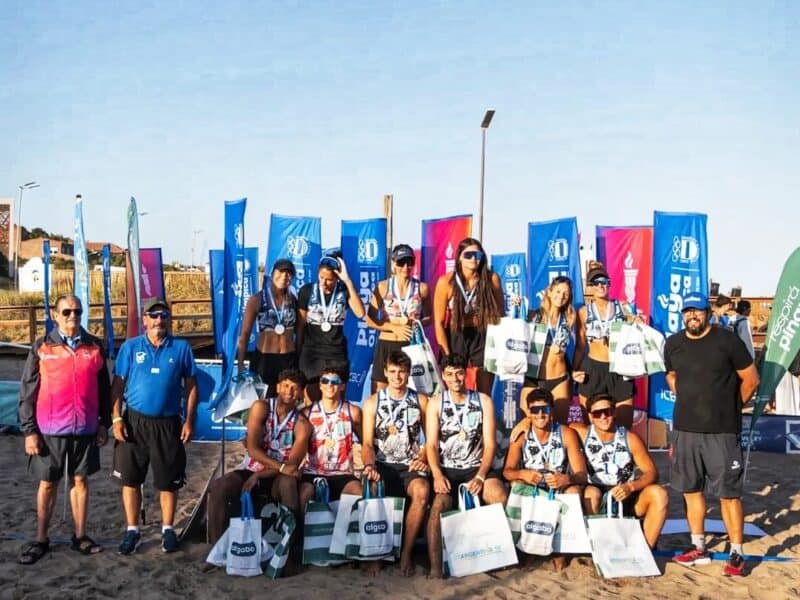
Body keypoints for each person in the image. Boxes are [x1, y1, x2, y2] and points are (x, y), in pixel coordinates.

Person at [665, 293, 759, 577]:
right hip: (685, 430)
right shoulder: (674, 343)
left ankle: (737, 552)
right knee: (692, 491)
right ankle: (699, 547)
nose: (692, 316)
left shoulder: (727, 340)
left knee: (729, 494)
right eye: (687, 312)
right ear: (682, 315)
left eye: (697, 311)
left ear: (708, 313)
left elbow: (751, 379)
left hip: (722, 432)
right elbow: (671, 375)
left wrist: (729, 407)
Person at [17, 295, 112, 564]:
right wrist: (29, 431)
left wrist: (103, 423)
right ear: (55, 315)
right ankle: (40, 539)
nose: (73, 316)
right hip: (49, 430)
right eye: (67, 311)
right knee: (48, 483)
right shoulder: (41, 347)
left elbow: (103, 390)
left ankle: (80, 536)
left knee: (81, 481)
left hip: (84, 428)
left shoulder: (95, 347)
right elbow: (27, 392)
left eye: (77, 312)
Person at [111, 298, 198, 555]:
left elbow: (191, 386)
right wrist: (116, 419)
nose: (160, 320)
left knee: (168, 482)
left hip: (168, 423)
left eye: (164, 315)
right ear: (145, 319)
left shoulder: (181, 348)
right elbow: (117, 386)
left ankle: (168, 529)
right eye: (154, 315)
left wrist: (190, 420)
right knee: (131, 479)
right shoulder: (130, 347)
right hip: (134, 422)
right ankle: (132, 530)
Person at [206, 369, 310, 551]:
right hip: (256, 468)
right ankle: (216, 550)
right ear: (277, 387)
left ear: (301, 392)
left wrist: (262, 475)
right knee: (219, 486)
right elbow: (253, 449)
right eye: (285, 385)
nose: (289, 391)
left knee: (289, 485)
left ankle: (288, 553)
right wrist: (263, 472)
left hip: (276, 476)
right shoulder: (261, 407)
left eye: (295, 388)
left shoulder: (302, 424)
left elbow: (292, 467)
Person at [425, 353, 508, 578]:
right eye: (450, 374)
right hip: (448, 469)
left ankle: (496, 557)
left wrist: (481, 476)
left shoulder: (483, 401)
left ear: (466, 374)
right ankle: (434, 570)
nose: (455, 379)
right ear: (443, 376)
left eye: (459, 373)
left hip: (475, 467)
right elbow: (431, 445)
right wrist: (436, 474)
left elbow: (490, 444)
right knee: (438, 509)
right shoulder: (436, 402)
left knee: (498, 496)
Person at [362, 351, 430, 576]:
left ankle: (406, 553)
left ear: (409, 374)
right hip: (383, 464)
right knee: (373, 488)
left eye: (402, 372)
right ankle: (378, 554)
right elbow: (367, 444)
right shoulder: (372, 402)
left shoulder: (420, 400)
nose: (397, 377)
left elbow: (431, 440)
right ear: (385, 372)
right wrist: (370, 466)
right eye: (392, 372)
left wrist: (422, 458)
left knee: (421, 492)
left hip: (410, 465)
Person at [503, 387, 587, 571]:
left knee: (574, 491)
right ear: (529, 413)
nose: (540, 414)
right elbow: (507, 472)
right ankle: (521, 547)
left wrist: (566, 478)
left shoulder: (566, 433)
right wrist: (522, 474)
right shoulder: (522, 435)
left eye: (545, 409)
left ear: (552, 411)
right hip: (531, 486)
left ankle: (561, 550)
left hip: (556, 487)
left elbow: (582, 475)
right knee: (516, 483)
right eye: (535, 410)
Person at [572, 393, 668, 550]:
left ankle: (646, 552)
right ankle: (598, 547)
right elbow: (546, 423)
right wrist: (526, 422)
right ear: (590, 416)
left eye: (607, 412)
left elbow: (651, 472)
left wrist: (631, 487)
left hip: (624, 492)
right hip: (596, 491)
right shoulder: (581, 433)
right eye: (597, 413)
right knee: (591, 493)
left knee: (659, 493)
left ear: (614, 412)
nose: (603, 417)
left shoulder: (630, 438)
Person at [433, 238, 504, 395]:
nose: (473, 259)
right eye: (469, 255)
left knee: (485, 390)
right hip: (457, 333)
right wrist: (446, 355)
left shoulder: (491, 279)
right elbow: (438, 322)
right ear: (459, 257)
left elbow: (500, 315)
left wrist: (498, 344)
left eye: (477, 255)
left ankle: (483, 417)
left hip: (482, 334)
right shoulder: (447, 282)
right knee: (455, 386)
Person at [573, 261, 638, 428]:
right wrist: (574, 370)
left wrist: (637, 321)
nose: (601, 286)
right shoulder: (583, 312)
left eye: (604, 282)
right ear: (590, 287)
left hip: (620, 369)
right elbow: (580, 346)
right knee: (592, 427)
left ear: (609, 284)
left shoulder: (623, 307)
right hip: (593, 369)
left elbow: (639, 331)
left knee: (623, 426)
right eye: (596, 283)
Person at [297, 254, 365, 404]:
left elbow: (360, 312)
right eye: (321, 277)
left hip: (336, 351)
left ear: (337, 278)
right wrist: (298, 352)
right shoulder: (307, 291)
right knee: (312, 400)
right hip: (312, 351)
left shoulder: (344, 291)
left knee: (336, 399)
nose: (324, 283)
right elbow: (300, 325)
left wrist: (347, 281)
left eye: (329, 279)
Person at [366, 244, 431, 392]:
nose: (406, 267)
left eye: (410, 262)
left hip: (410, 345)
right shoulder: (383, 287)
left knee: (413, 392)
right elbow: (370, 320)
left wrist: (417, 323)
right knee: (379, 393)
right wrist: (394, 327)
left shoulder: (422, 288)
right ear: (393, 263)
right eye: (401, 262)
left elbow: (430, 317)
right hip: (386, 343)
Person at [298, 363, 363, 506]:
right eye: (325, 381)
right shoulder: (307, 413)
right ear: (320, 385)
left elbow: (366, 441)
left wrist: (369, 465)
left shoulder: (353, 412)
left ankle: (345, 529)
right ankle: (299, 528)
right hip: (313, 472)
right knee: (303, 495)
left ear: (342, 386)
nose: (329, 385)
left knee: (357, 494)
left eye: (335, 382)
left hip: (343, 473)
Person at [519, 276, 578, 423]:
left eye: (566, 293)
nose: (561, 296)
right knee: (527, 424)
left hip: (559, 379)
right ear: (549, 292)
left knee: (560, 426)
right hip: (534, 378)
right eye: (558, 291)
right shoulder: (534, 315)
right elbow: (516, 327)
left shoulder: (570, 318)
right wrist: (517, 307)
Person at [237, 258, 299, 394]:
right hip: (265, 359)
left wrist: (299, 358)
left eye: (288, 274)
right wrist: (240, 364)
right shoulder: (256, 299)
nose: (284, 276)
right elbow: (245, 334)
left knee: (286, 401)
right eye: (281, 272)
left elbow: (300, 331)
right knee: (263, 403)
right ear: (272, 273)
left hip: (288, 358)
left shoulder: (294, 299)